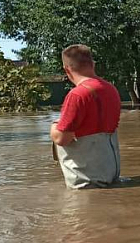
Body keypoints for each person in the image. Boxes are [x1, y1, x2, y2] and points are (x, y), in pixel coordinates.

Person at [50, 44, 122, 189]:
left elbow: (61, 138)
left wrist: (53, 126)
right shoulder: (110, 89)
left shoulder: (77, 95)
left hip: (86, 181)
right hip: (111, 173)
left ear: (67, 69)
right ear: (92, 64)